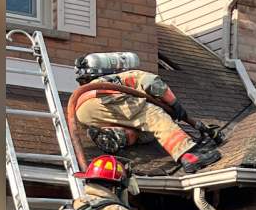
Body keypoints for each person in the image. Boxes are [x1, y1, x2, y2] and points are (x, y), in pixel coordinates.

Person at [72, 52, 220, 174]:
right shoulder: (123, 76)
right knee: (153, 116)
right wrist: (174, 104)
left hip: (82, 111)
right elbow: (152, 82)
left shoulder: (88, 86)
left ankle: (117, 136)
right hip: (106, 98)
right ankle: (189, 155)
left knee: (143, 132)